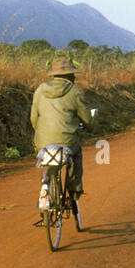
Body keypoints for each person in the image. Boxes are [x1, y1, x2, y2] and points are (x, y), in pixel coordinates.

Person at [30, 56, 93, 206]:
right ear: (71, 75)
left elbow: (33, 119)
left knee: (47, 158)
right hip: (67, 141)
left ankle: (46, 183)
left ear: (53, 75)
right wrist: (91, 127)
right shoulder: (75, 91)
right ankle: (74, 190)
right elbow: (87, 119)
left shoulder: (40, 90)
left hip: (43, 142)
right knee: (76, 154)